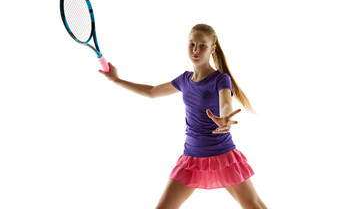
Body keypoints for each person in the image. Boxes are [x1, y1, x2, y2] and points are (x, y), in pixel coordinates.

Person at [99, 23, 268, 209]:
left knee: (253, 206)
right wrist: (117, 80)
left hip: (221, 154)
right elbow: (152, 92)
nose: (196, 50)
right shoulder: (184, 80)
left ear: (212, 49)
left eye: (202, 45)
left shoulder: (220, 79)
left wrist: (225, 117)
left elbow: (226, 102)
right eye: (192, 44)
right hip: (191, 157)